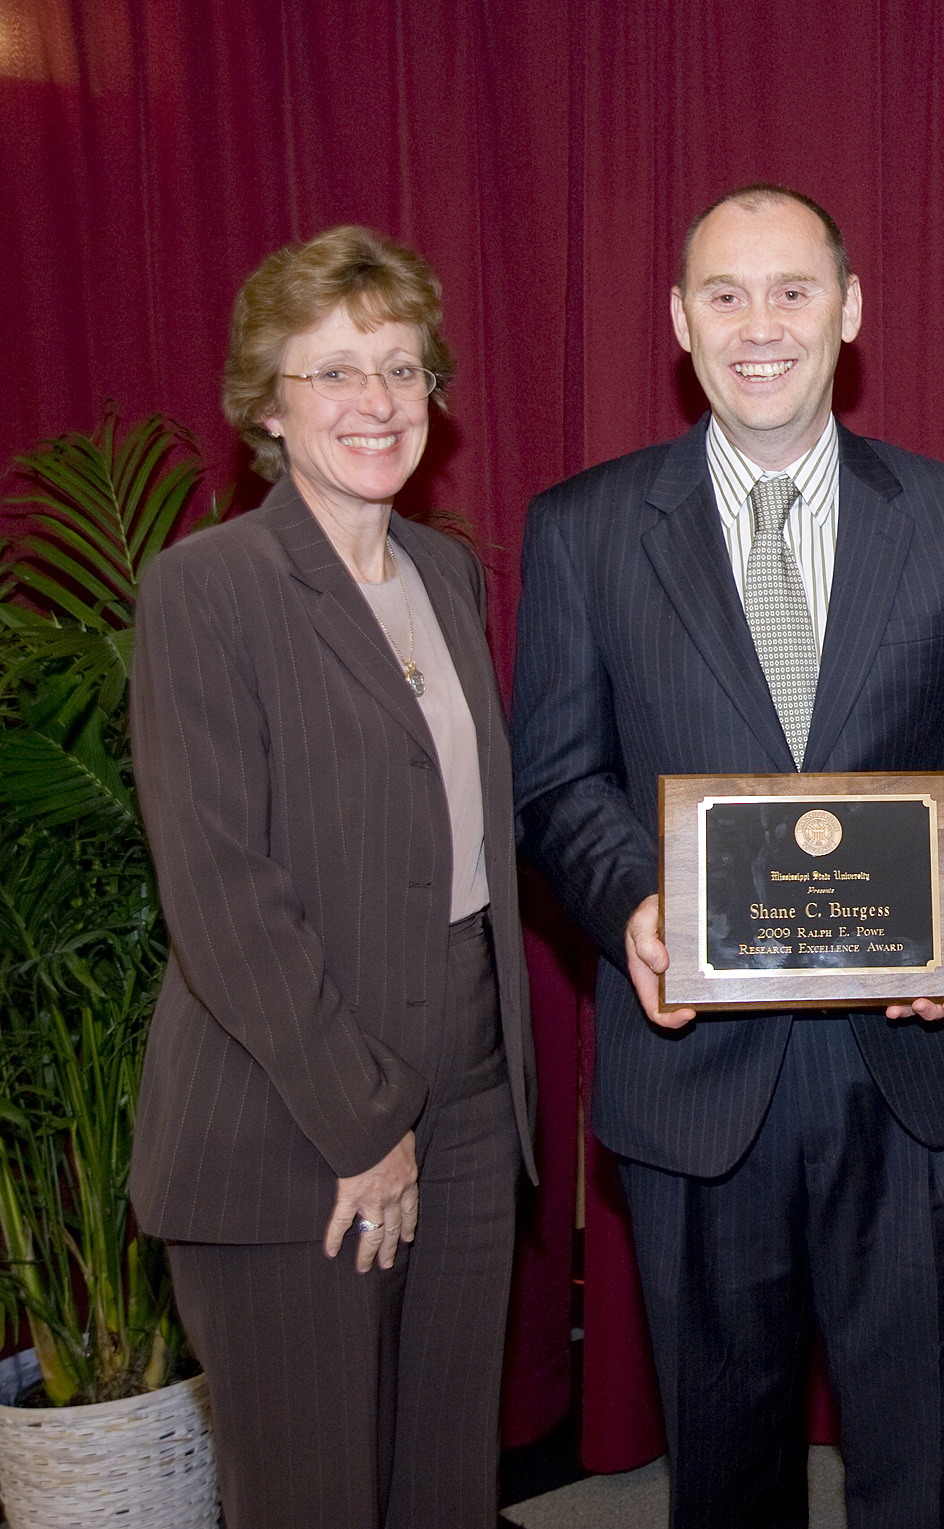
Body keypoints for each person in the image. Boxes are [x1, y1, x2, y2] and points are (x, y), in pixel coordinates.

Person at [509, 184, 944, 1528]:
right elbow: (558, 776)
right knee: (726, 1477)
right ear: (679, 321)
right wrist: (630, 895)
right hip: (698, 1082)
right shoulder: (584, 529)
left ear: (850, 311)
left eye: (793, 290)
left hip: (913, 1072)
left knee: (919, 1471)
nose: (760, 325)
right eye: (724, 295)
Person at [128, 226, 538, 1529]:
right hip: (294, 1127)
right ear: (265, 402)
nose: (377, 402)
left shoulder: (447, 573)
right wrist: (366, 1124)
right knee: (312, 1497)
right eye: (335, 372)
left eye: (404, 370)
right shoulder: (207, 591)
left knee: (441, 1487)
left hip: (470, 1104)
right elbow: (222, 890)